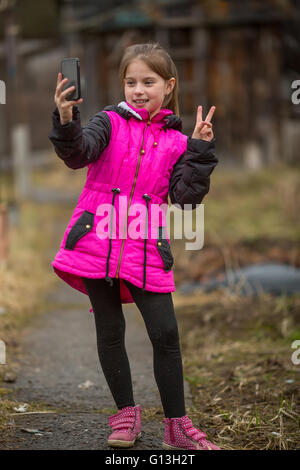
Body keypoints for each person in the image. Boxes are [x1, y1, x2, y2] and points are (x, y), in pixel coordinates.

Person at [48, 42, 220, 450]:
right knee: (110, 332)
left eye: (148, 81)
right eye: (131, 82)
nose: (138, 89)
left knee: (165, 334)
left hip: (147, 247)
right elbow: (77, 154)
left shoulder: (179, 142)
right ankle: (125, 416)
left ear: (168, 85)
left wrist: (199, 149)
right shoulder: (107, 122)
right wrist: (67, 117)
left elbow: (186, 199)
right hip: (96, 242)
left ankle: (177, 426)